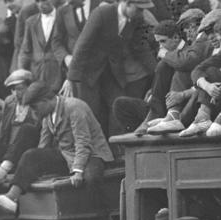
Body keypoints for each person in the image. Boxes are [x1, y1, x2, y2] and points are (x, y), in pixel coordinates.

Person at [0, 84, 113, 216]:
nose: (34, 112)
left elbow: (83, 142)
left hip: (92, 155)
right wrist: (36, 165)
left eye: (35, 107)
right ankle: (11, 197)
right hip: (68, 155)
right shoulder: (48, 113)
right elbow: (43, 145)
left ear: (45, 100)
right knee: (32, 155)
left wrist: (78, 170)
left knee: (91, 178)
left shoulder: (74, 107)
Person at [64, 0, 157, 135]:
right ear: (126, 3)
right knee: (92, 113)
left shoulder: (137, 19)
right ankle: (96, 154)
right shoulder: (102, 13)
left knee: (117, 108)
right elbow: (82, 45)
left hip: (113, 72)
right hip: (89, 73)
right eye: (139, 9)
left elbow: (140, 48)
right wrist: (71, 78)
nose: (141, 13)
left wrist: (157, 71)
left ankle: (118, 151)